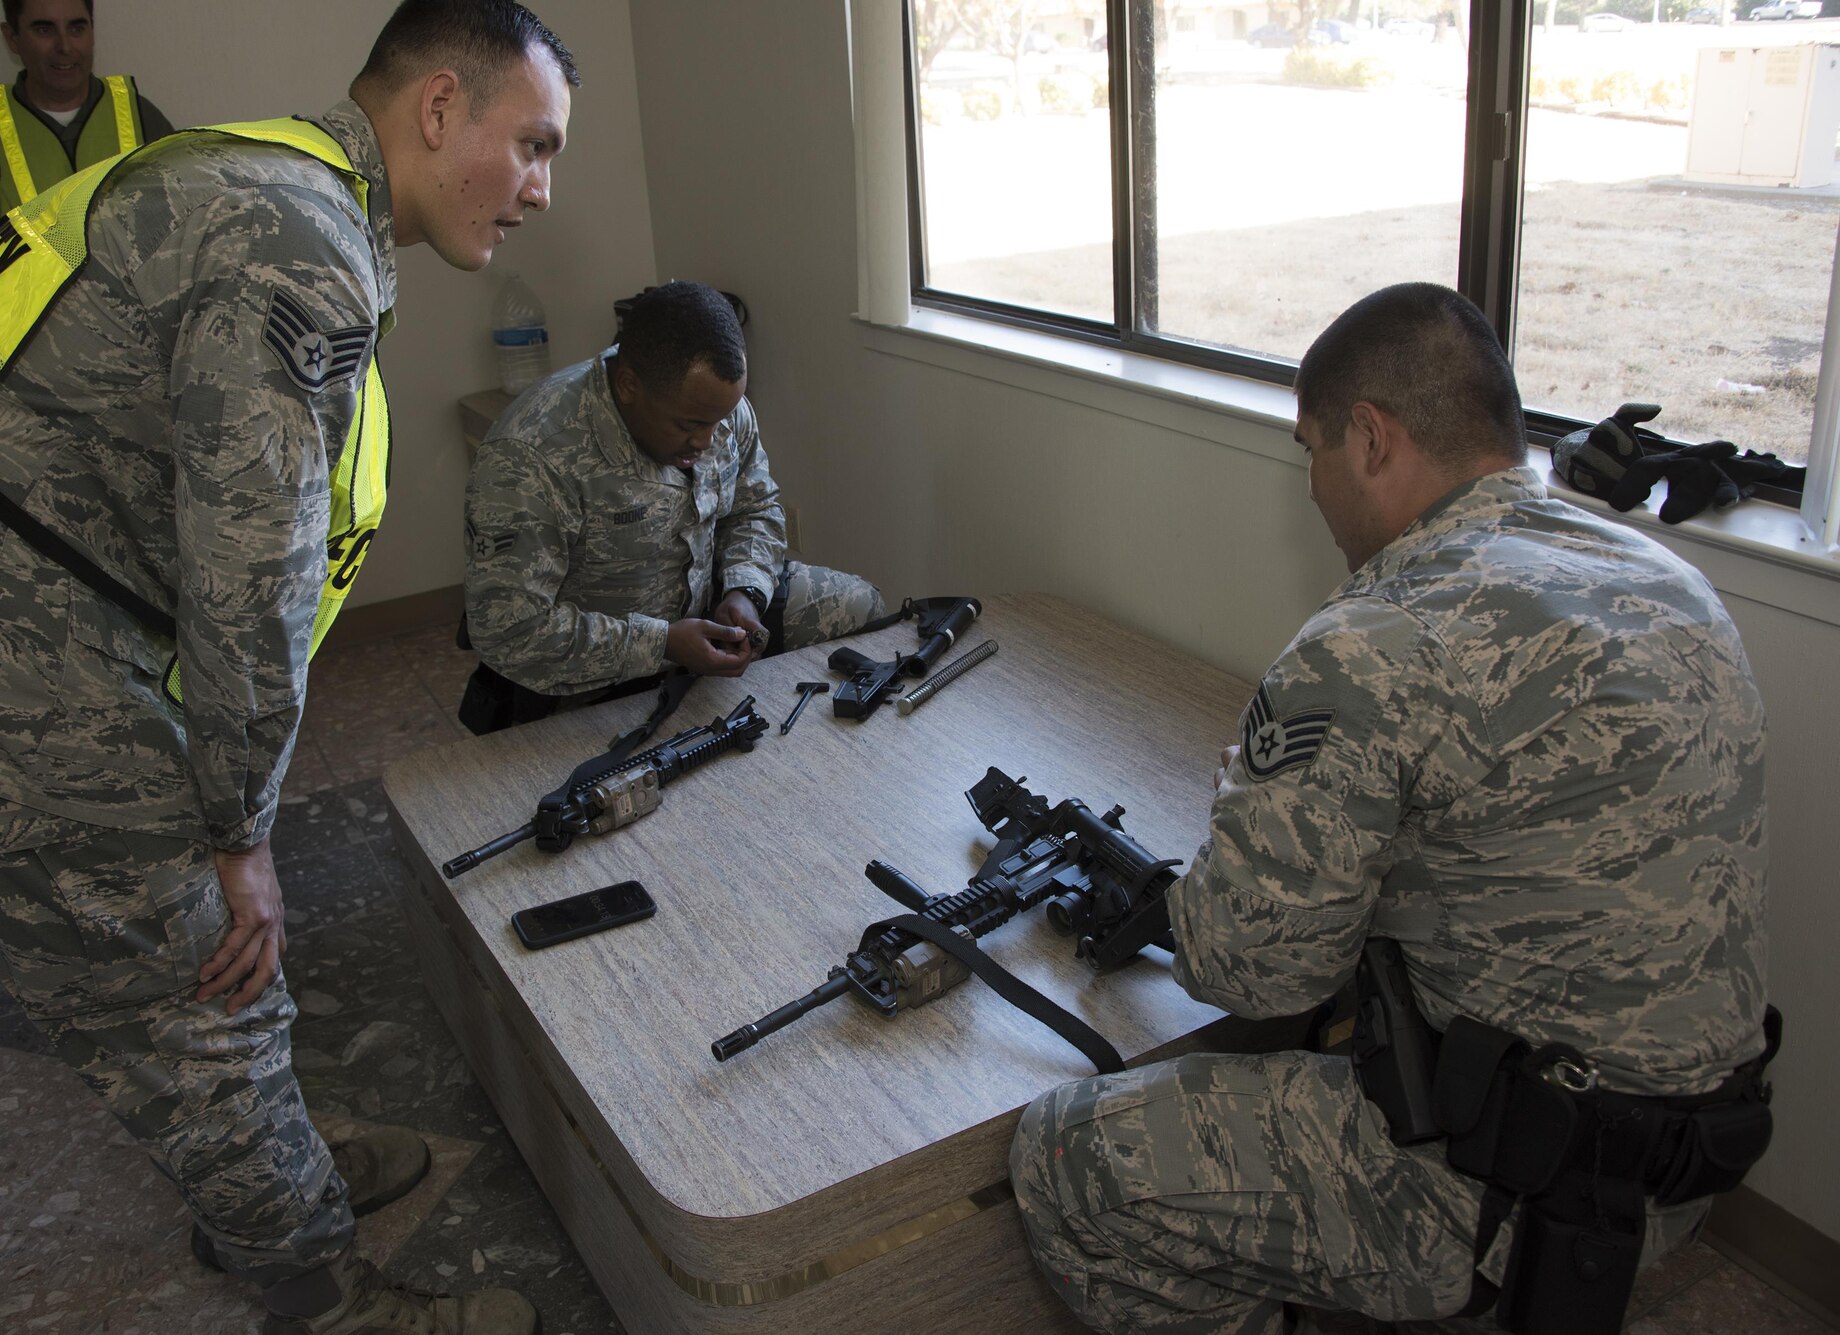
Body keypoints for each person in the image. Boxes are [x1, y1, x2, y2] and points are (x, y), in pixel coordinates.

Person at [0, 2, 576, 1331]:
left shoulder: (270, 174)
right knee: (206, 962)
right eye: (531, 145)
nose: (540, 188)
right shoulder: (298, 247)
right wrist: (236, 827)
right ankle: (313, 1281)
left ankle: (266, 1169)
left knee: (200, 950)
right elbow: (252, 580)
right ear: (435, 111)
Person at [1010, 283, 1775, 1334]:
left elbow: (1245, 970)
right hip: (1681, 1166)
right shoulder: (1664, 579)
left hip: (1500, 1192)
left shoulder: (1370, 638)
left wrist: (1244, 791)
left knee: (1066, 1154)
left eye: (1308, 451)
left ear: (1369, 439)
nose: (1311, 489)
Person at [460, 279, 887, 730]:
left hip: (711, 614)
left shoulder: (719, 408)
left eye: (719, 421)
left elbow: (755, 509)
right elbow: (511, 632)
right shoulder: (532, 453)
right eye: (689, 424)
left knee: (860, 604)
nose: (706, 441)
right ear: (629, 386)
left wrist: (746, 590)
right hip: (595, 666)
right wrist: (660, 643)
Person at [0, 0, 178, 266]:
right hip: (27, 309)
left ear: (92, 31)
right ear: (12, 38)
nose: (64, 47)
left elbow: (182, 240)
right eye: (44, 30)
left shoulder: (141, 118)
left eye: (77, 28)